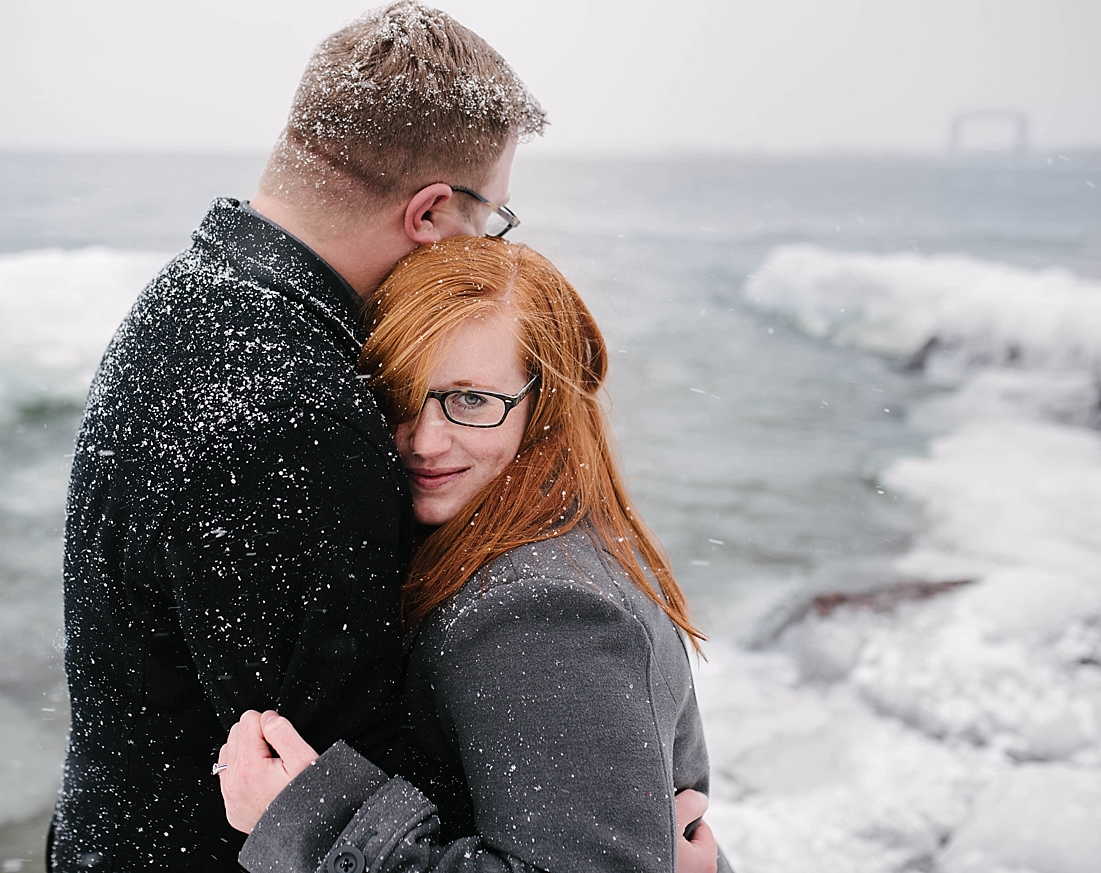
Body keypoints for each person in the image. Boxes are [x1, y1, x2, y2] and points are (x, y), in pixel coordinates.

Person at [48, 3, 545, 870]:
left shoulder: (193, 293)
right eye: (491, 218)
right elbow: (341, 766)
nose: (488, 246)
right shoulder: (290, 409)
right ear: (430, 213)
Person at [217, 236, 732, 873]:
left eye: (472, 400)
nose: (426, 441)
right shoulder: (503, 539)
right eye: (401, 392)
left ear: (543, 407)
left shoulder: (545, 609)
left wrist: (312, 822)